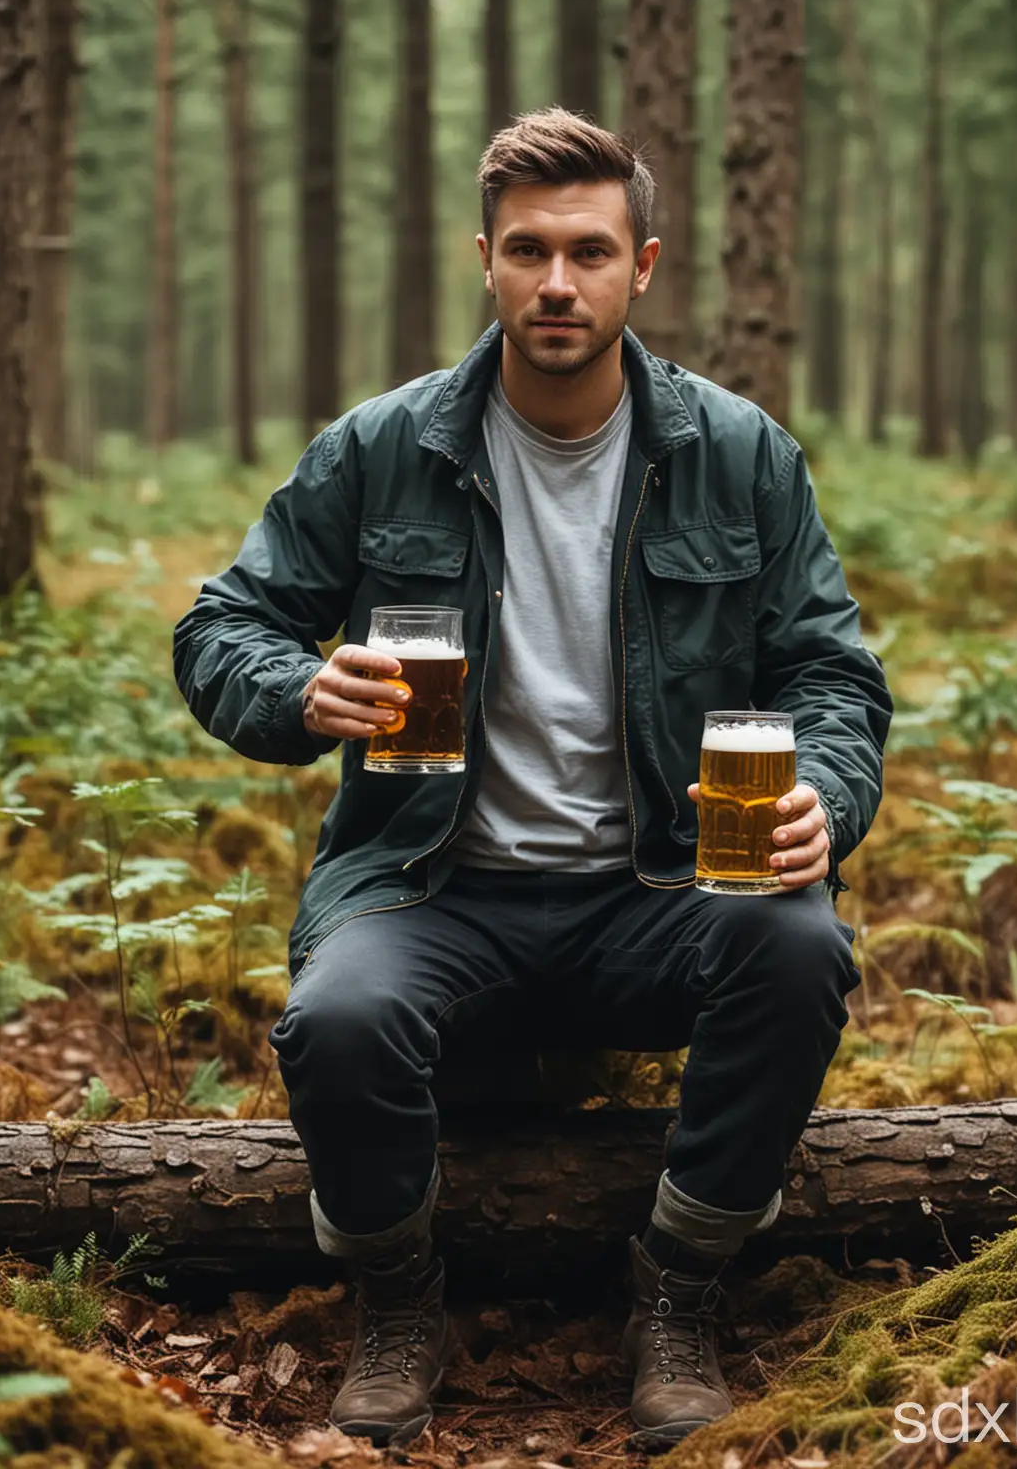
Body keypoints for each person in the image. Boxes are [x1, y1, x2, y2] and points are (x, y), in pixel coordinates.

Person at [173, 108, 892, 1449]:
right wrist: (298, 689)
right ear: (485, 262)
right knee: (335, 1021)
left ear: (644, 267)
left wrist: (826, 801)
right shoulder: (388, 447)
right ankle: (399, 1300)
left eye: (589, 251)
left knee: (799, 952)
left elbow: (832, 677)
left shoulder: (737, 453)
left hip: (665, 884)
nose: (558, 282)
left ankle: (676, 1287)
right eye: (529, 251)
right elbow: (221, 627)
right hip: (434, 884)